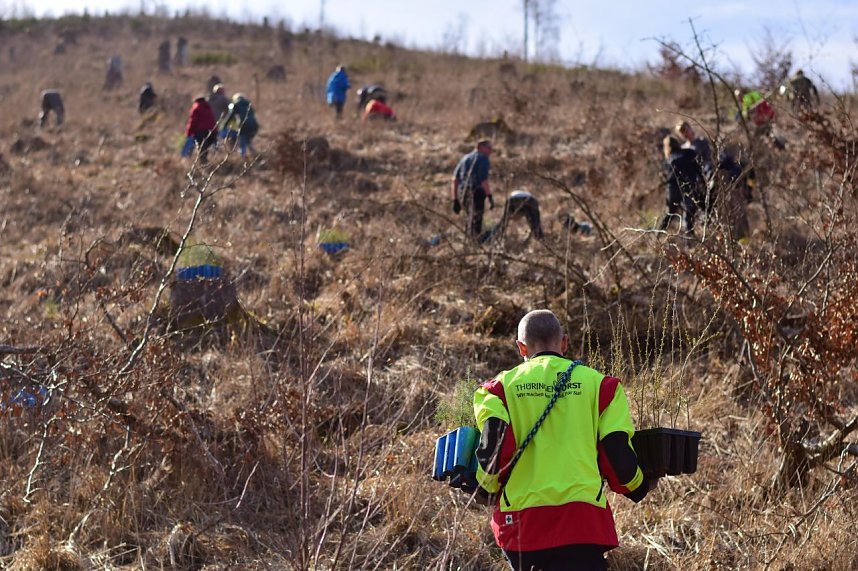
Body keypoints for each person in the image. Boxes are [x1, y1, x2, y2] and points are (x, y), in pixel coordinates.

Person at [471, 310, 655, 571]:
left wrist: (484, 490)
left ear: (521, 347)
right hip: (584, 525)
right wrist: (639, 486)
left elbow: (494, 453)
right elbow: (617, 455)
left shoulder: (497, 390)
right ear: (564, 343)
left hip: (523, 528)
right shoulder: (602, 387)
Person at [658, 135, 705, 235]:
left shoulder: (668, 160)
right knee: (688, 215)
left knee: (669, 214)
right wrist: (703, 185)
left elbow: (666, 177)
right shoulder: (689, 153)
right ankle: (690, 242)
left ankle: (657, 235)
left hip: (672, 189)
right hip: (688, 186)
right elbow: (699, 170)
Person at [452, 139, 495, 238]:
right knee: (476, 219)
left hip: (463, 191)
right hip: (476, 191)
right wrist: (489, 196)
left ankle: (468, 240)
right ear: (480, 147)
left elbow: (455, 180)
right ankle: (475, 243)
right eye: (488, 148)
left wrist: (455, 199)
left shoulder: (464, 158)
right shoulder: (483, 159)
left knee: (468, 218)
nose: (490, 151)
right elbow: (483, 180)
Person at [222, 93, 259, 158]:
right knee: (248, 141)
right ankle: (256, 156)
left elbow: (230, 116)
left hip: (244, 125)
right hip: (254, 125)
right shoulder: (248, 104)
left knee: (243, 142)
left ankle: (243, 157)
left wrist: (224, 125)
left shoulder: (235, 105)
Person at [184, 95, 217, 165]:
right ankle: (205, 163)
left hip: (201, 132)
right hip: (212, 132)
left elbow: (192, 121)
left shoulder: (196, 107)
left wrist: (189, 133)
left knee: (202, 149)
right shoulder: (208, 107)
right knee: (205, 149)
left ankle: (202, 165)